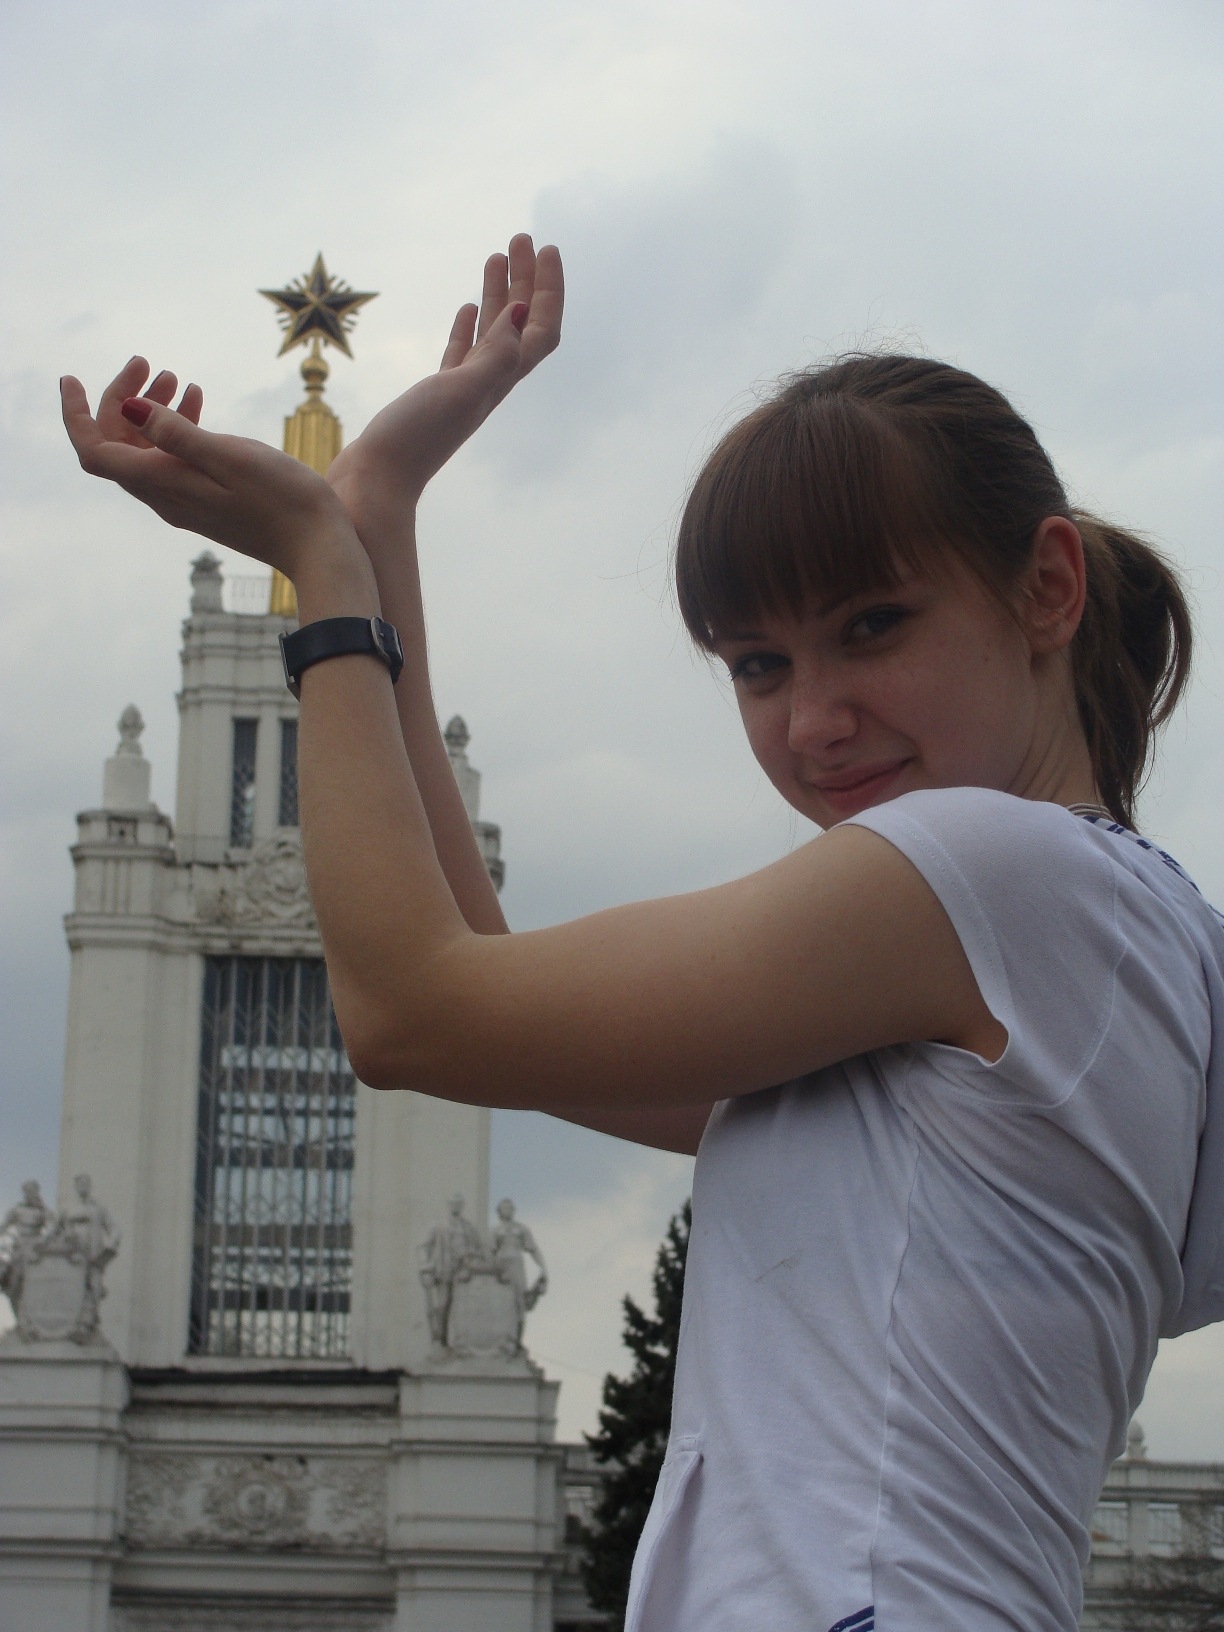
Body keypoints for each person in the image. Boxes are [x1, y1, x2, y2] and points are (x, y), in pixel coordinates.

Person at [60, 236, 1224, 1632]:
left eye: (873, 626)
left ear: (1048, 587)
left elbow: (411, 1012)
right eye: (758, 664)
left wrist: (326, 577)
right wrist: (376, 520)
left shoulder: (983, 871)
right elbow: (493, 1001)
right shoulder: (1114, 938)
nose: (814, 720)